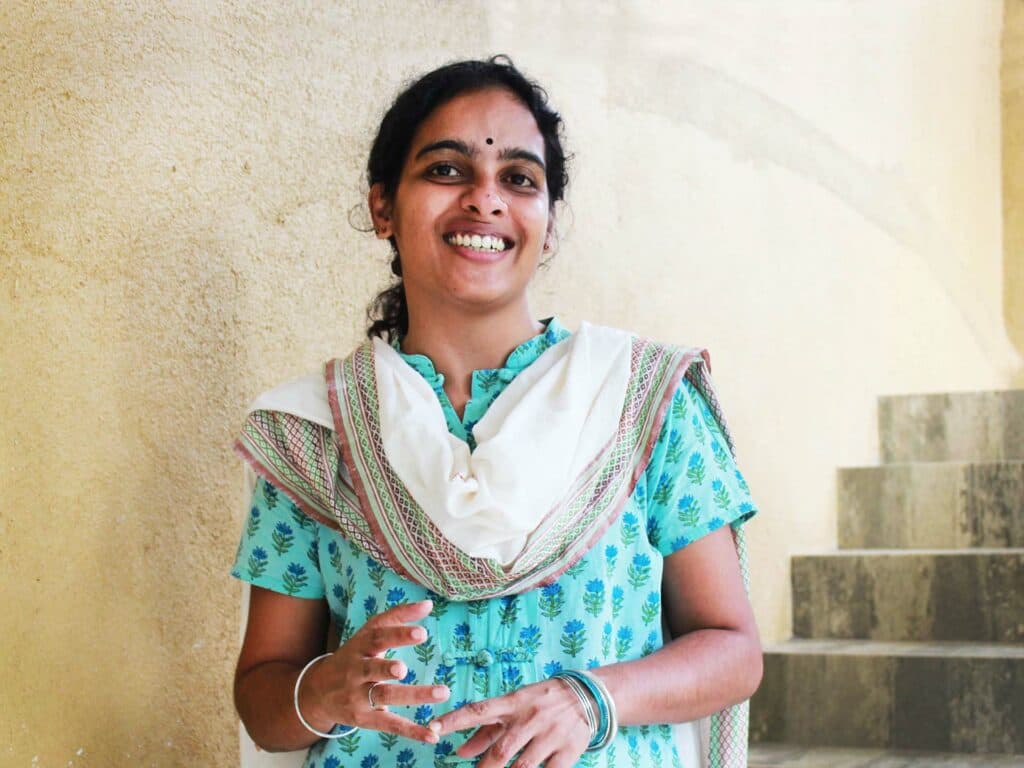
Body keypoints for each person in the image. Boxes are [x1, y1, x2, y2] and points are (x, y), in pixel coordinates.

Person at [230, 55, 762, 768]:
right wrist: (325, 691)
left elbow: (732, 650)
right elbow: (263, 698)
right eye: (447, 169)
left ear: (549, 222)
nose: (485, 199)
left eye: (519, 178)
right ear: (383, 207)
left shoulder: (642, 400)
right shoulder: (315, 432)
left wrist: (591, 700)